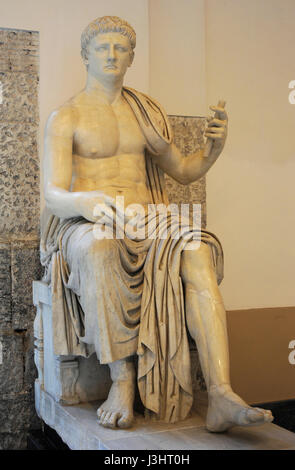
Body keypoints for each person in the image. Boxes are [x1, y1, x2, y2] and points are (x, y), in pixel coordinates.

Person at [41, 16, 273, 431]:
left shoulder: (145, 113)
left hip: (150, 220)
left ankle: (221, 392)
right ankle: (122, 381)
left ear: (131, 57)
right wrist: (85, 201)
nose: (111, 55)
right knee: (100, 247)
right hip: (87, 222)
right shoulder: (66, 117)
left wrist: (213, 147)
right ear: (85, 56)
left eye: (120, 48)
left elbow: (183, 171)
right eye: (102, 48)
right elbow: (53, 194)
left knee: (198, 251)